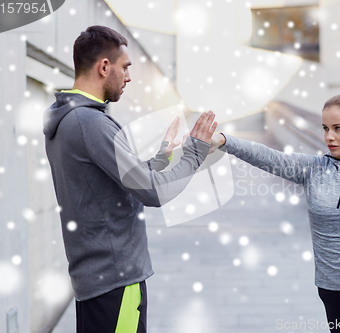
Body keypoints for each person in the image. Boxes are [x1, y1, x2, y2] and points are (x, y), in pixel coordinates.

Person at [43, 25, 217, 333]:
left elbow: (118, 182)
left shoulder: (69, 117)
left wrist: (163, 157)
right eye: (125, 67)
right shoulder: (90, 122)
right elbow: (152, 193)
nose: (129, 76)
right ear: (104, 66)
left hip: (96, 281)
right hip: (115, 281)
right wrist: (195, 153)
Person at [210, 93, 340, 333]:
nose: (329, 136)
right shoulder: (312, 169)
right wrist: (225, 141)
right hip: (330, 293)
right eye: (325, 128)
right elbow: (268, 156)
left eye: (338, 128)